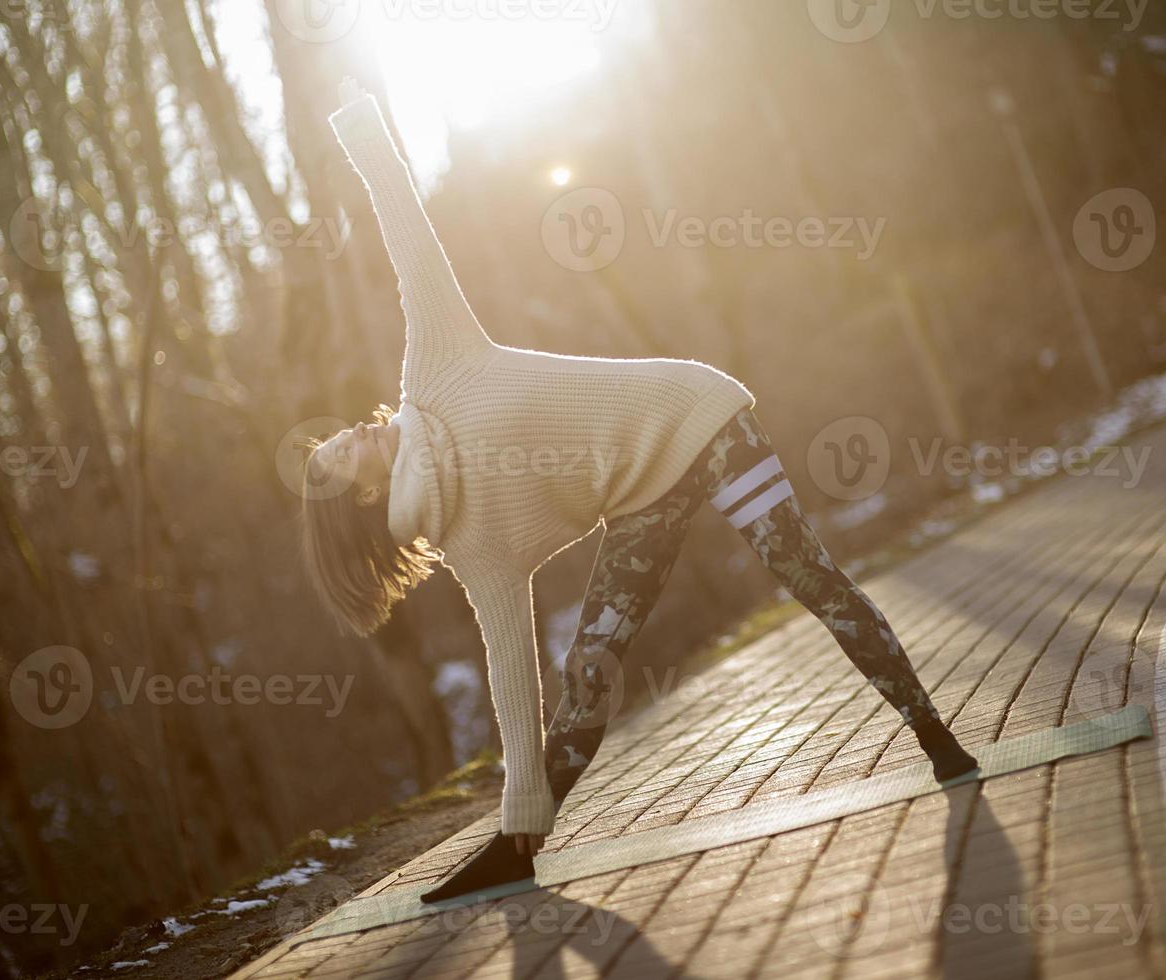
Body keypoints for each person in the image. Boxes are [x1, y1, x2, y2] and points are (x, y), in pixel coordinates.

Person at [300, 78, 977, 902]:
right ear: (364, 504)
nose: (351, 434)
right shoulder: (468, 545)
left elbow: (408, 234)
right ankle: (521, 848)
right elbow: (513, 670)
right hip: (642, 501)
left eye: (340, 432)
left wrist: (363, 133)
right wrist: (518, 797)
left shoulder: (433, 368)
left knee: (806, 574)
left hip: (699, 416)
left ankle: (936, 735)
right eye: (340, 458)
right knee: (590, 668)